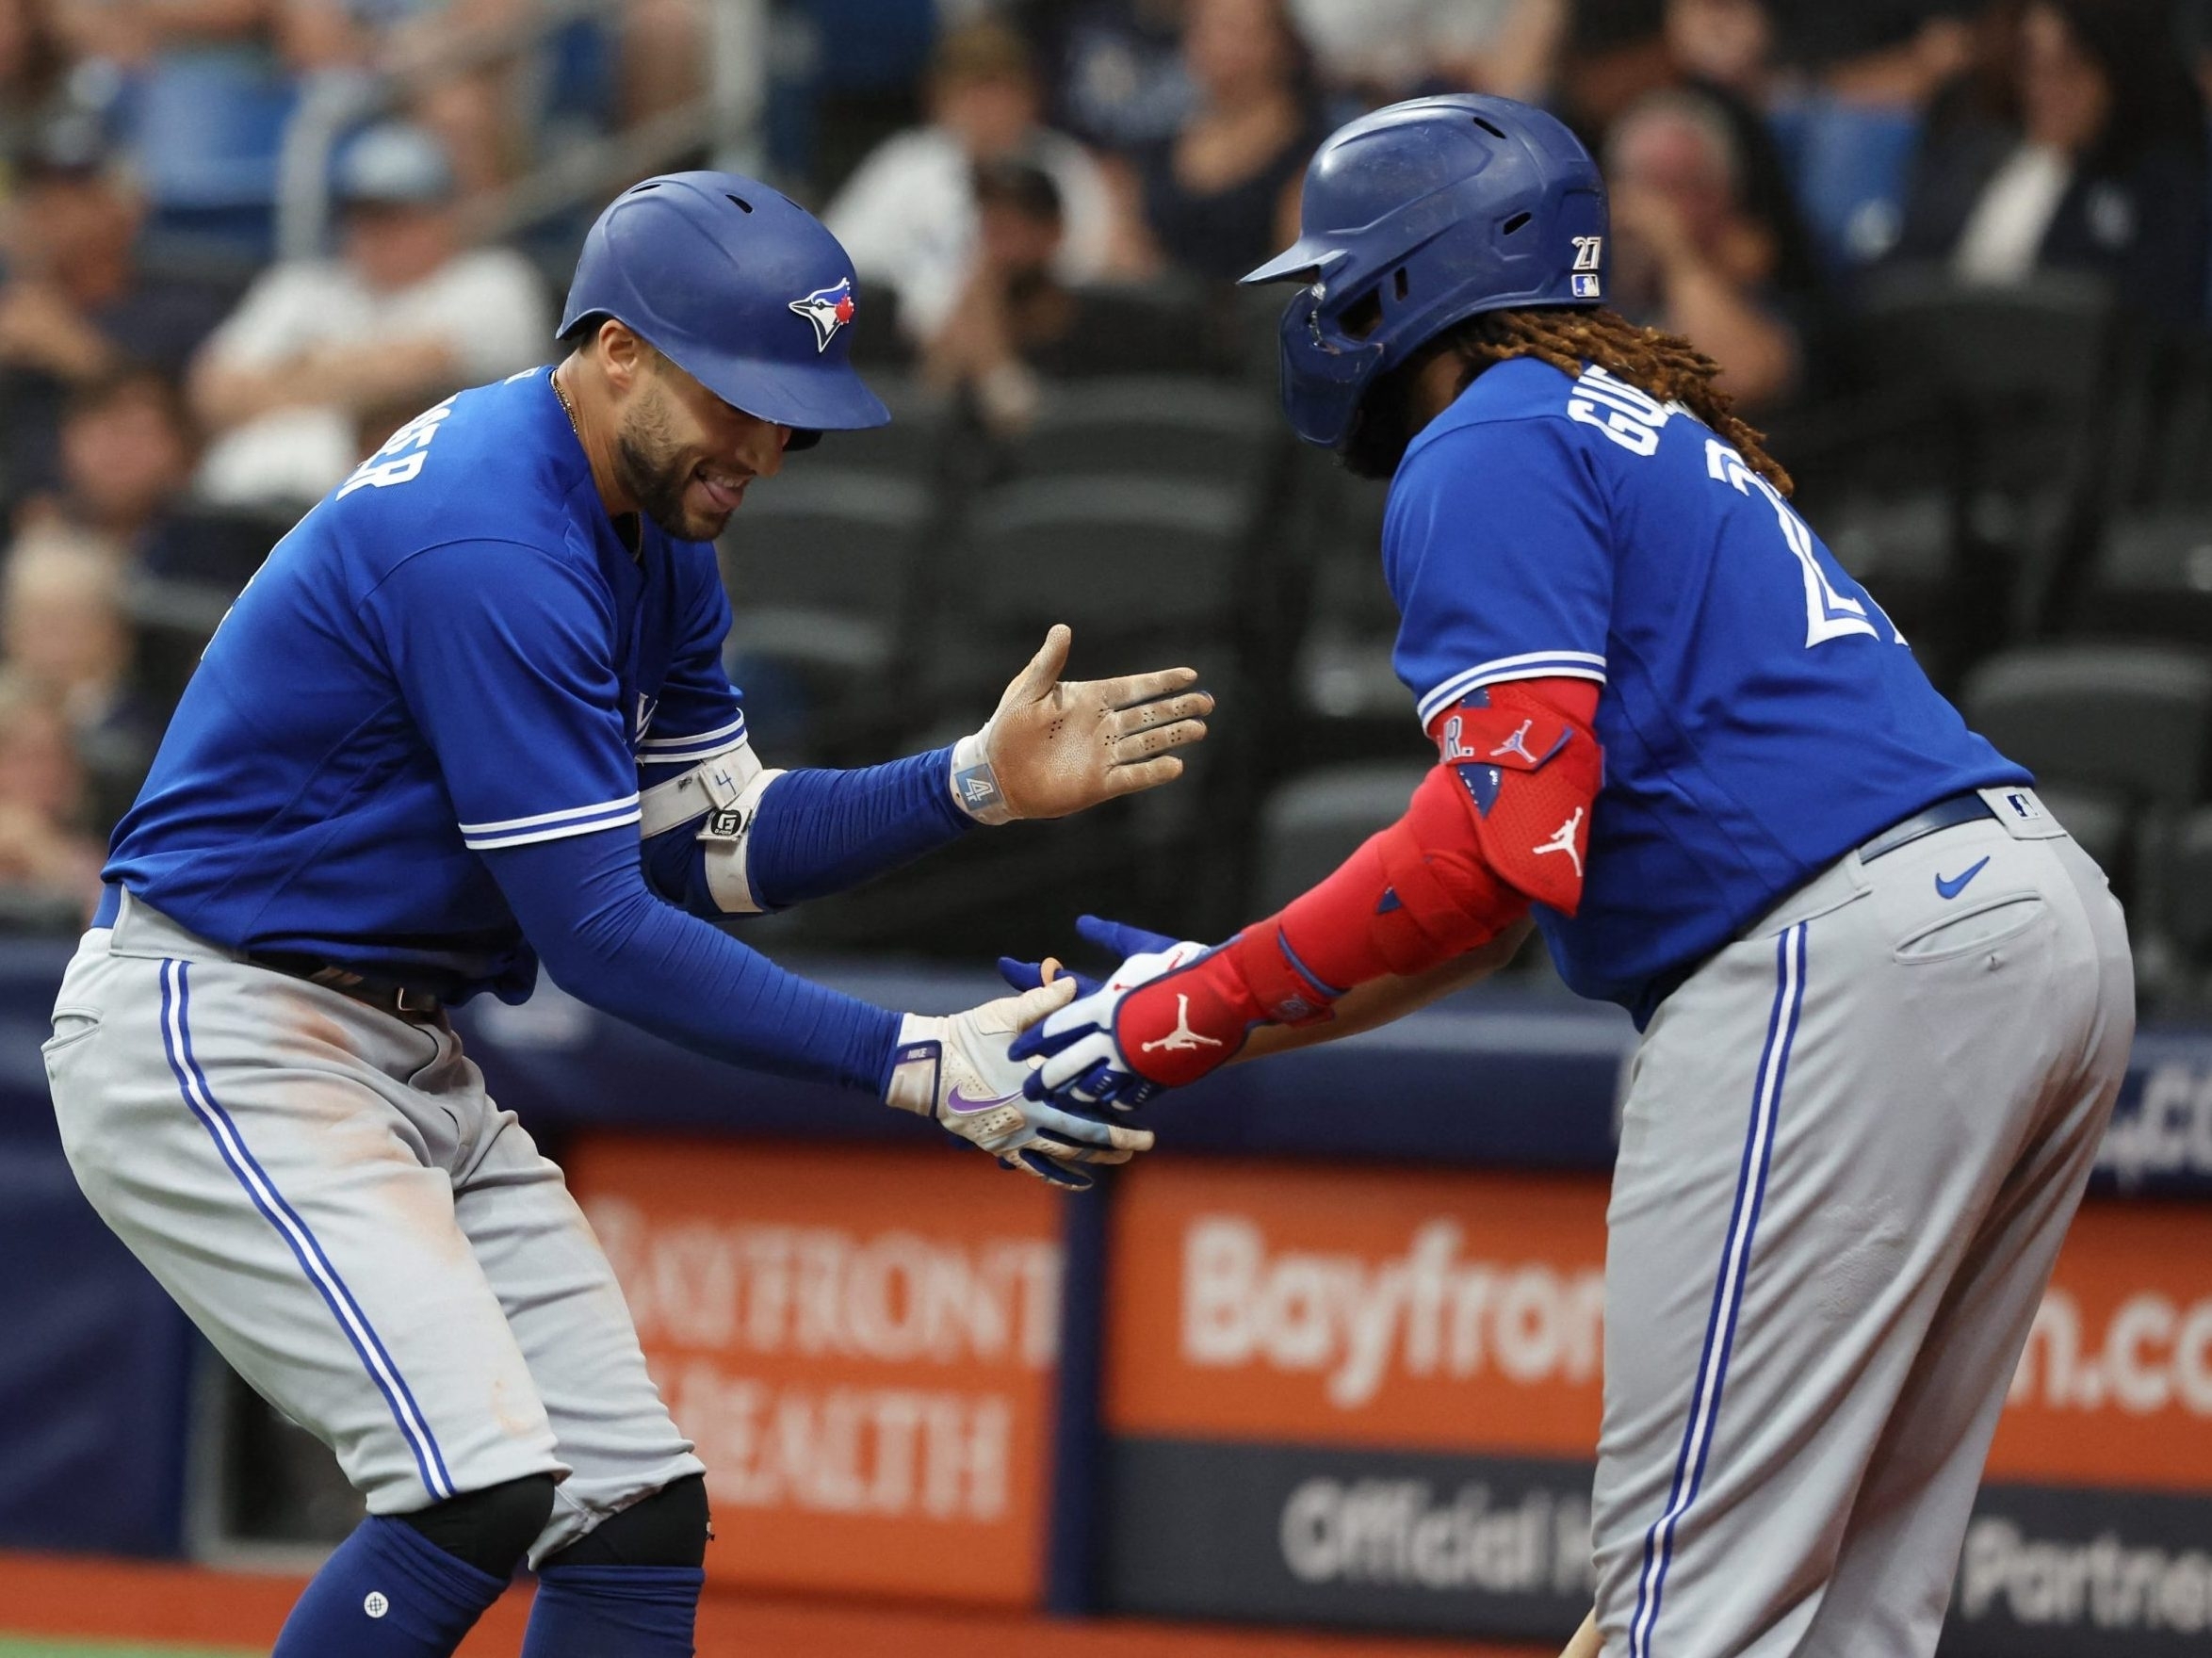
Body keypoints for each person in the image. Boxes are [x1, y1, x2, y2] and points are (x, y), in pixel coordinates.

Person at [1007, 95, 2134, 1658]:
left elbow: (1481, 859)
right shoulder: (1616, 417)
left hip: (1839, 962)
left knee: (1691, 1615)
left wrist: (1182, 1011)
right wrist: (1215, 1005)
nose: (1314, 321)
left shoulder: (1481, 441)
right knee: (1853, 1616)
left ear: (1401, 287)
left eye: (1331, 283)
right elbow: (1502, 890)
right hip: (2021, 925)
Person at [44, 172, 1200, 1657]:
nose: (769, 445)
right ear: (615, 352)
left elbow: (707, 845)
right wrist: (918, 1060)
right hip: (222, 1022)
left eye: (791, 409)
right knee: (472, 1490)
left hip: (385, 1034)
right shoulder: (494, 537)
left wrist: (967, 785)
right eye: (741, 396)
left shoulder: (655, 530)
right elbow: (595, 932)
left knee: (633, 1507)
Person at [187, 122, 548, 506]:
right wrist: (354, 377)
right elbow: (212, 391)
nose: (377, 232)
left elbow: (411, 377)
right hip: (241, 506)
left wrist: (292, 372)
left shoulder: (494, 282)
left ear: (444, 215)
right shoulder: (300, 286)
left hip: (414, 511)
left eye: (397, 214)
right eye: (364, 214)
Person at [1893, 0, 2209, 317]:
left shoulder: (2161, 189)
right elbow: (1900, 272)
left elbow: (2155, 318)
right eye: (2032, 64)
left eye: (2068, 68)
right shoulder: (1971, 157)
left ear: (2116, 68)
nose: (2044, 89)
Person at [824, 20, 1117, 346]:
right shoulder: (906, 165)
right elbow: (837, 264)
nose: (987, 108)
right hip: (914, 359)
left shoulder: (1064, 166)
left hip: (1044, 348)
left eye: (1001, 91)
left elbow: (1096, 271)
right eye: (973, 91)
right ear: (940, 98)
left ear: (1031, 97)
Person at [1128, 0, 1331, 284]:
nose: (1219, 45)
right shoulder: (1159, 145)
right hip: (1169, 317)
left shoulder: (1314, 154)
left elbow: (1300, 270)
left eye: (1239, 31)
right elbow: (1134, 256)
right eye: (1206, 30)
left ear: (1283, 43)